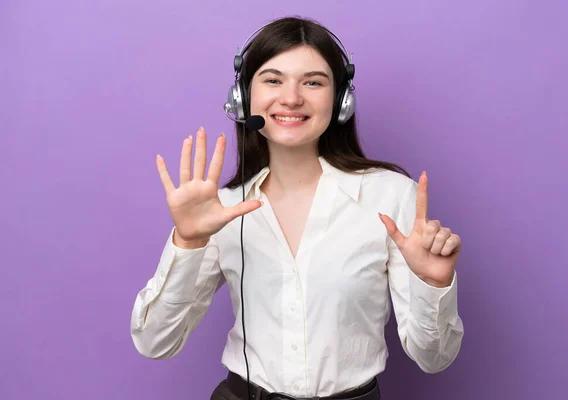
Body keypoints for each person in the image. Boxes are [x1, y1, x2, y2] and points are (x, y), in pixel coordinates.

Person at [130, 16, 464, 400]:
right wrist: (188, 241)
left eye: (313, 82)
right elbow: (155, 343)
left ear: (341, 100)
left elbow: (434, 358)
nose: (291, 98)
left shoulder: (390, 196)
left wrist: (433, 285)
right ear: (243, 96)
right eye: (273, 80)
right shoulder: (218, 211)